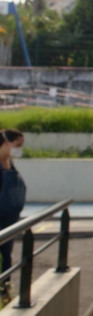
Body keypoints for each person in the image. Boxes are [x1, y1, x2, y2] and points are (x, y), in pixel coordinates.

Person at [0, 129, 26, 305]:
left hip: (9, 219)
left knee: (6, 255)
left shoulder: (9, 164)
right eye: (15, 145)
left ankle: (4, 287)